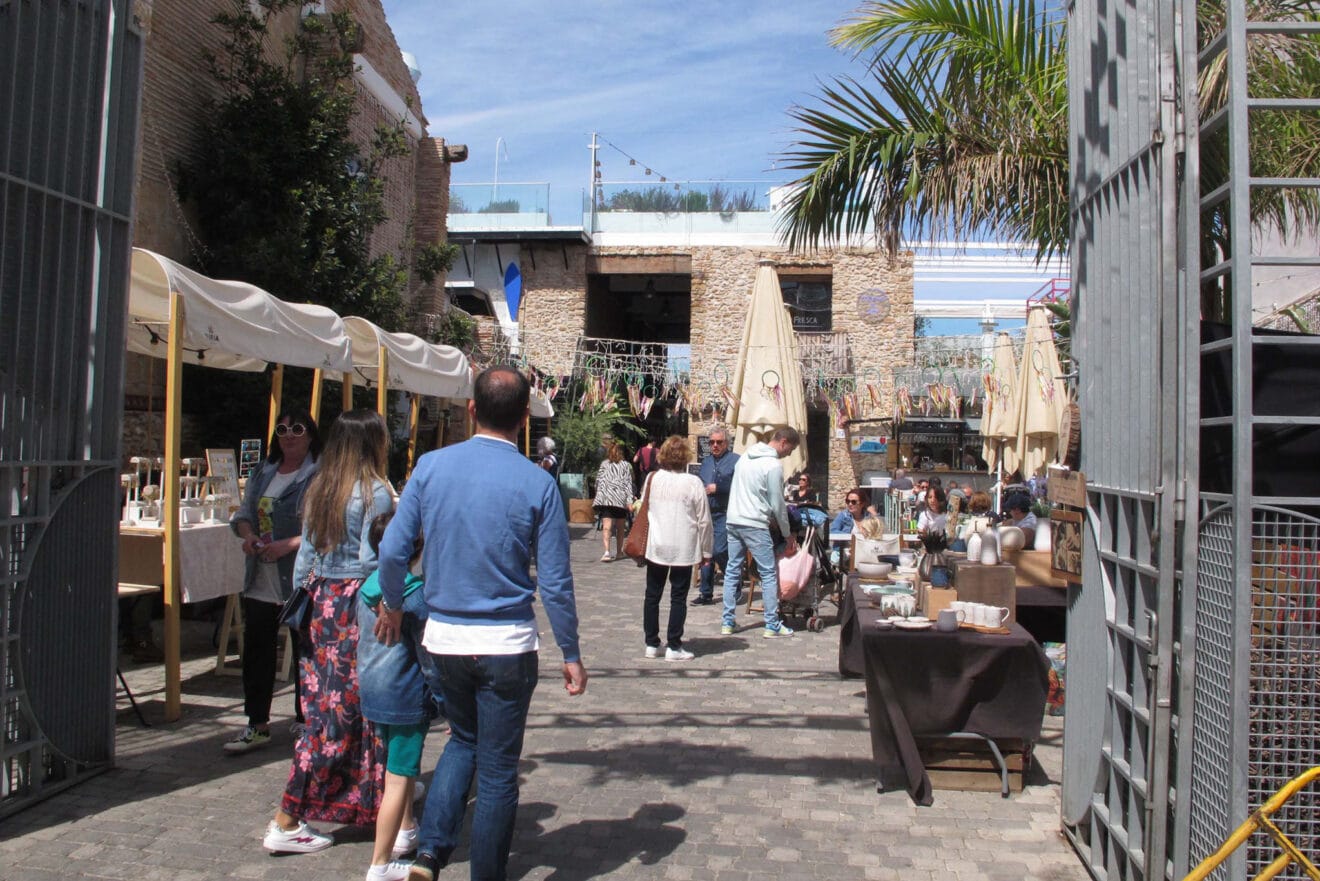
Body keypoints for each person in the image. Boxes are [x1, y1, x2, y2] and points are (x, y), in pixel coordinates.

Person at [376, 366, 587, 881]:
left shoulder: (429, 467)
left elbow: (392, 550)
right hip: (506, 643)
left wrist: (392, 602)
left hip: (444, 637)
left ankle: (429, 856)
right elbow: (556, 582)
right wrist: (571, 651)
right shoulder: (539, 483)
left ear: (471, 409)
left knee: (462, 741)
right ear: (523, 419)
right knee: (495, 771)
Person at [261, 409, 395, 854]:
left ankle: (365, 803)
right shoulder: (374, 490)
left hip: (319, 604)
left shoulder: (319, 485)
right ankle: (287, 815)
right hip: (354, 607)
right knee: (341, 715)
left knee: (328, 709)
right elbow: (372, 562)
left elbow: (304, 561)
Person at [225, 409, 321, 753]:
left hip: (298, 575)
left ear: (310, 434)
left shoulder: (318, 474)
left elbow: (322, 528)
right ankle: (257, 722)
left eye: (297, 428)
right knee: (257, 650)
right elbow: (243, 515)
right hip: (261, 576)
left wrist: (287, 545)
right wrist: (248, 536)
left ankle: (305, 718)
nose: (289, 435)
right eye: (282, 429)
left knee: (304, 651)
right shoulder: (263, 472)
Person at [357, 512, 443, 881]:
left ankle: (407, 829)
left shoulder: (367, 587)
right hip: (406, 697)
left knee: (400, 771)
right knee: (397, 777)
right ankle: (380, 863)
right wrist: (446, 702)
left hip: (373, 691)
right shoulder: (416, 598)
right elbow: (429, 661)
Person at [720, 427, 800, 639]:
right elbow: (777, 503)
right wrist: (787, 533)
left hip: (734, 519)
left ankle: (728, 621)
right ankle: (771, 624)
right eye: (789, 450)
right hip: (755, 522)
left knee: (732, 569)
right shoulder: (772, 465)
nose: (788, 455)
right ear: (783, 442)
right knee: (768, 572)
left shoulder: (745, 457)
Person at [641, 436, 713, 661]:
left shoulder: (652, 478)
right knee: (678, 597)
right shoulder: (693, 483)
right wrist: (707, 550)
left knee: (652, 595)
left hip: (657, 544)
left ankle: (651, 643)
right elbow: (704, 520)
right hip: (683, 545)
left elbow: (643, 507)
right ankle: (673, 644)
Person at [693, 426, 738, 606]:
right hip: (706, 513)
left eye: (719, 442)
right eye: (712, 442)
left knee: (719, 550)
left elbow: (739, 485)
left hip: (724, 512)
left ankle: (735, 585)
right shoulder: (706, 462)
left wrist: (718, 488)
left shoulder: (736, 461)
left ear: (726, 443)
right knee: (706, 554)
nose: (715, 445)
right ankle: (706, 593)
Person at [593, 440, 635, 561]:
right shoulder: (625, 465)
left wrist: (598, 495)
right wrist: (629, 500)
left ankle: (607, 551)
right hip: (620, 500)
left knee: (607, 526)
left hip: (607, 499)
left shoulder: (604, 464)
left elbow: (598, 481)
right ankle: (619, 552)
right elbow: (628, 483)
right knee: (620, 527)